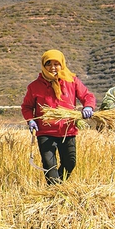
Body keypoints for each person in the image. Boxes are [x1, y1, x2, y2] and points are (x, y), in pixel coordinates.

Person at [20, 49, 96, 185]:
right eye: (49, 64)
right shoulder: (34, 87)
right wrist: (30, 120)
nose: (53, 68)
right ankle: (55, 192)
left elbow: (87, 96)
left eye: (56, 64)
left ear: (62, 64)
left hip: (68, 131)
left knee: (70, 163)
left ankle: (57, 187)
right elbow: (26, 107)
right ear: (43, 65)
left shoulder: (72, 81)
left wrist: (88, 106)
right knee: (49, 165)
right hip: (45, 132)